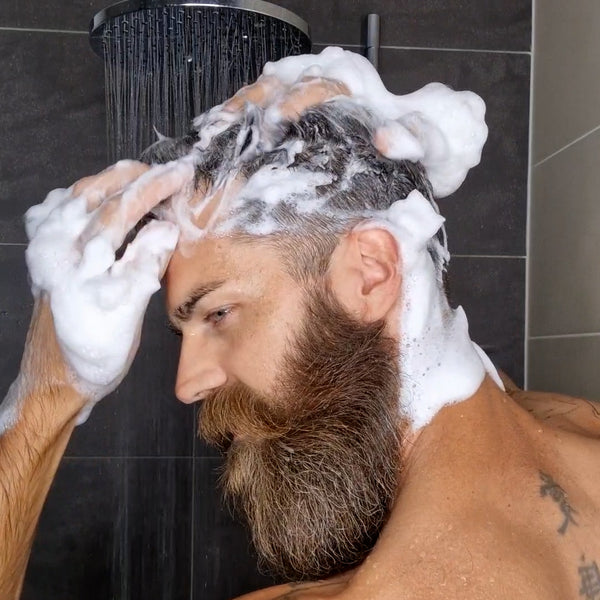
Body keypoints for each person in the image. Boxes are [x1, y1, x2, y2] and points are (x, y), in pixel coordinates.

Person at [1, 51, 600, 600]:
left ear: (371, 272)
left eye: (219, 313)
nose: (187, 385)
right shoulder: (579, 427)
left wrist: (46, 396)